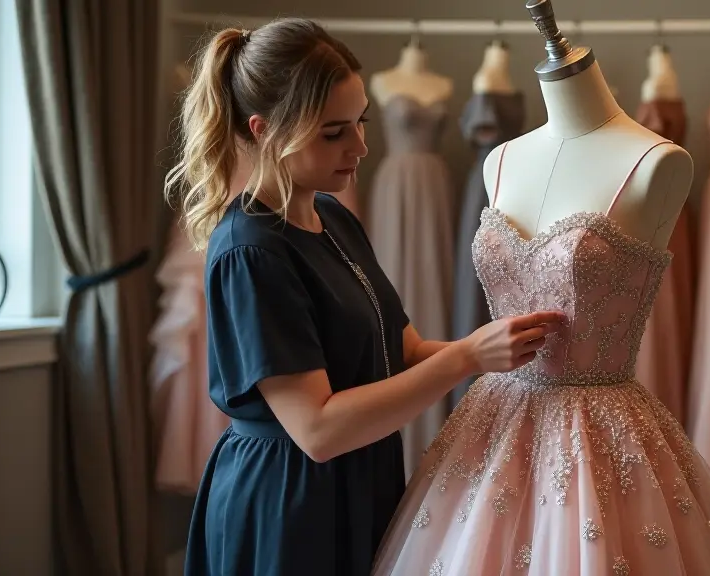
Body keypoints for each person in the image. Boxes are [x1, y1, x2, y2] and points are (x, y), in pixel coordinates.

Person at [163, 18, 564, 576]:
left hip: (364, 477)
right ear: (262, 129)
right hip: (290, 502)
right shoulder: (250, 251)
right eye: (334, 132)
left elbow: (402, 350)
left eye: (360, 122)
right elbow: (318, 429)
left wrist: (505, 355)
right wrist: (468, 357)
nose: (361, 146)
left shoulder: (332, 216)